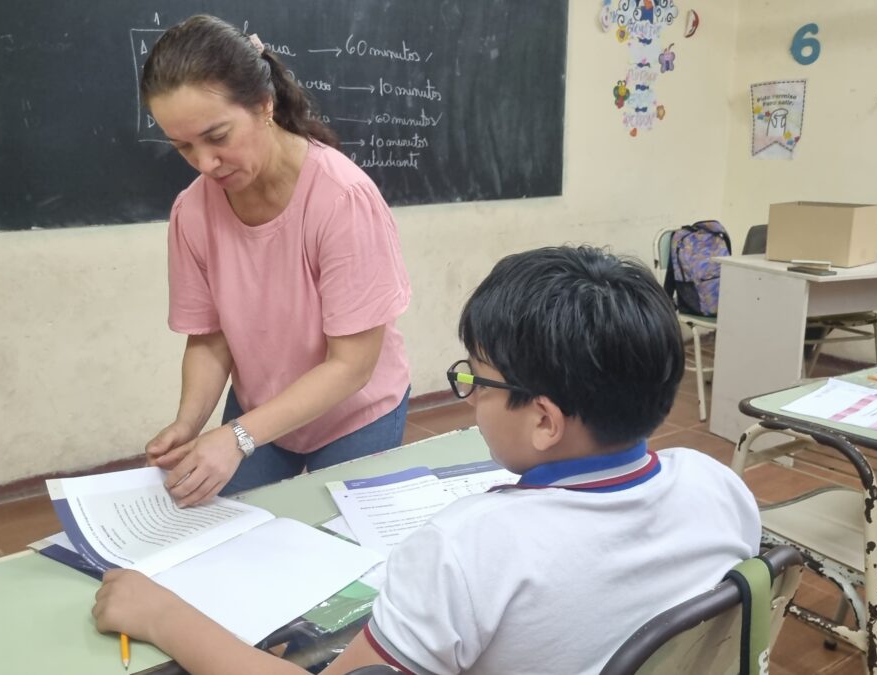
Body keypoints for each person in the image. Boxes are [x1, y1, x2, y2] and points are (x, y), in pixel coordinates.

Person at [93, 245, 760, 674]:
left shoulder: (466, 548)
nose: (470, 399)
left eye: (478, 380)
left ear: (544, 419)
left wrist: (160, 615)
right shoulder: (719, 485)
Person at [139, 15, 412, 503]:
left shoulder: (341, 199)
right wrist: (188, 423)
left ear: (264, 105)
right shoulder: (192, 211)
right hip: (260, 407)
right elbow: (210, 337)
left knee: (338, 536)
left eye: (217, 136)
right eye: (183, 147)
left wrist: (238, 437)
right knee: (224, 522)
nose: (205, 163)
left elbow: (351, 366)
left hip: (353, 411)